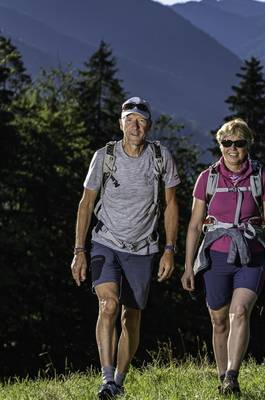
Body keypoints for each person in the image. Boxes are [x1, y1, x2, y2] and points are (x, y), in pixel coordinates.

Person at [70, 97, 181, 399]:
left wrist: (170, 248)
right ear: (120, 123)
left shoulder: (161, 157)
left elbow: (171, 204)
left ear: (149, 126)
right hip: (105, 242)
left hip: (143, 249)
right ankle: (106, 379)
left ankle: (119, 378)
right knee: (108, 305)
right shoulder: (104, 156)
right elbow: (86, 203)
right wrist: (79, 251)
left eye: (140, 120)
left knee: (131, 316)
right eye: (129, 119)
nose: (135, 125)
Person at [181, 118, 265, 395]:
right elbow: (194, 225)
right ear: (220, 145)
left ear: (248, 145)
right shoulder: (207, 178)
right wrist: (188, 266)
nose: (233, 149)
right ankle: (222, 373)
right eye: (227, 143)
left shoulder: (260, 177)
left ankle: (232, 377)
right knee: (219, 319)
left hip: (252, 256)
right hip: (215, 258)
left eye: (239, 143)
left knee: (240, 312)